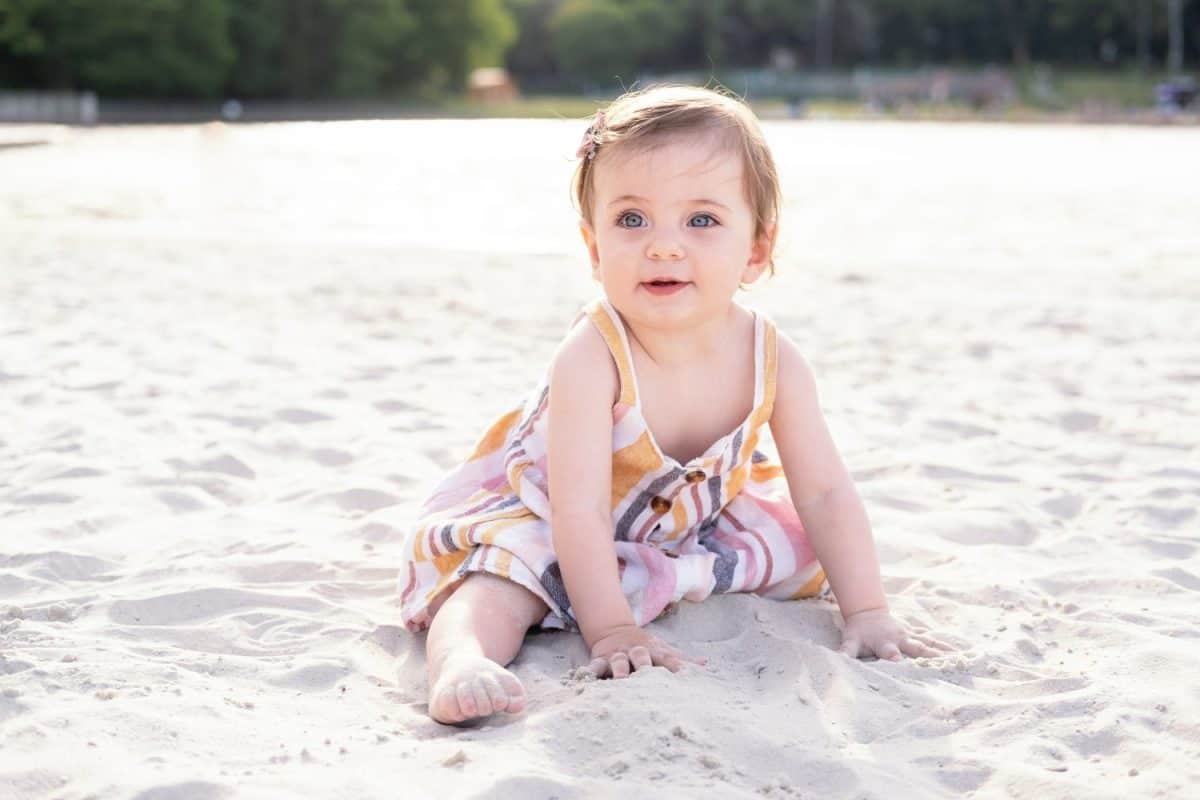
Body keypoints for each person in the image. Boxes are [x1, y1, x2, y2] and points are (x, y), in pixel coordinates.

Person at [398, 84, 949, 725]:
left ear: (757, 250)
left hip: (686, 519)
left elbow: (824, 492)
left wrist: (868, 611)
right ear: (595, 246)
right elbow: (576, 509)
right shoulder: (593, 354)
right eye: (631, 220)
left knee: (801, 548)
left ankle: (653, 578)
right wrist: (610, 632)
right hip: (558, 514)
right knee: (502, 577)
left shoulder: (772, 357)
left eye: (701, 220)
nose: (663, 245)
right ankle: (461, 661)